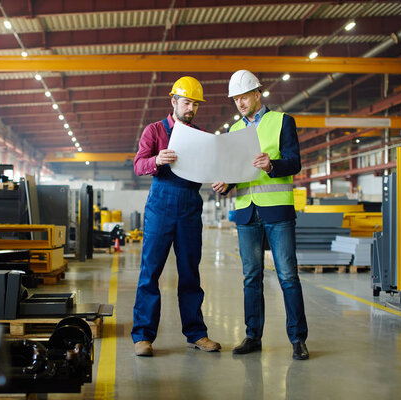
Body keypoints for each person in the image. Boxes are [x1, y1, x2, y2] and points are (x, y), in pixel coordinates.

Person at [212, 70, 309, 360]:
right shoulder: (233, 131)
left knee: (288, 276)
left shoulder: (282, 122)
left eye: (244, 97)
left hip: (277, 210)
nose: (240, 103)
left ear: (257, 94)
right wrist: (226, 183)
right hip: (246, 212)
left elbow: (295, 162)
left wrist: (272, 165)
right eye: (235, 99)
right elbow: (236, 172)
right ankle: (253, 336)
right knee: (250, 277)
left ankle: (297, 340)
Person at [131, 76, 221, 357]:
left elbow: (212, 168)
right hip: (160, 208)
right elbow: (138, 165)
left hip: (190, 209)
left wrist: (220, 180)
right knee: (150, 273)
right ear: (174, 102)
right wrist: (156, 160)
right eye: (186, 102)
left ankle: (196, 334)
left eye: (195, 104)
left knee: (190, 274)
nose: (191, 108)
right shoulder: (154, 130)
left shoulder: (202, 136)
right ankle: (143, 336)